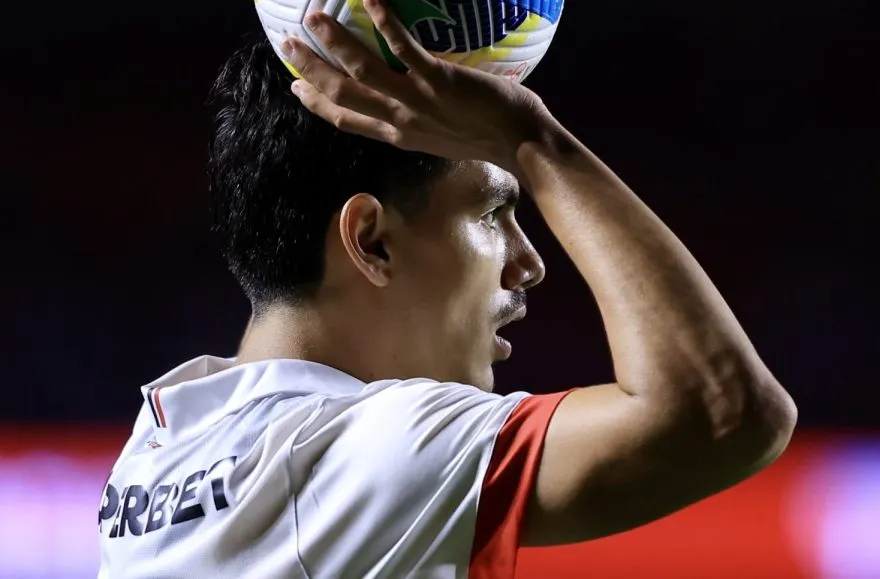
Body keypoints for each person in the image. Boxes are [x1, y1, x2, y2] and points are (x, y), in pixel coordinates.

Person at [97, 1, 797, 577]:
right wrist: (532, 138)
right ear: (370, 239)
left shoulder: (158, 451)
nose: (528, 263)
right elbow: (723, 412)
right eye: (493, 212)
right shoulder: (363, 455)